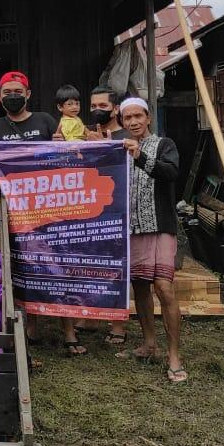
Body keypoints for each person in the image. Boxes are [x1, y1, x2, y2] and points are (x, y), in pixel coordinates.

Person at [0, 71, 84, 356]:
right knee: (24, 268)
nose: (13, 95)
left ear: (28, 93)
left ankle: (70, 332)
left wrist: (64, 147)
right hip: (13, 212)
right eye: (7, 91)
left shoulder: (46, 121)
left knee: (57, 266)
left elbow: (65, 159)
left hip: (48, 209)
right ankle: (31, 327)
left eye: (18, 90)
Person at [116, 96, 186, 383]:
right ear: (121, 121)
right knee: (140, 287)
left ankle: (174, 355)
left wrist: (140, 156)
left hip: (160, 226)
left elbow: (170, 173)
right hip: (132, 229)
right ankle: (149, 344)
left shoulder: (164, 145)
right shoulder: (118, 149)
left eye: (138, 116)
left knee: (164, 288)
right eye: (127, 118)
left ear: (148, 118)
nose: (133, 122)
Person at [79, 86, 132, 346]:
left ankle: (118, 325)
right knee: (92, 264)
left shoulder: (127, 135)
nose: (97, 110)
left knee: (117, 266)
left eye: (103, 106)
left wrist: (108, 145)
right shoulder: (87, 134)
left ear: (115, 108)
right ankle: (92, 317)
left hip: (118, 208)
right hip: (93, 207)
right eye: (93, 106)